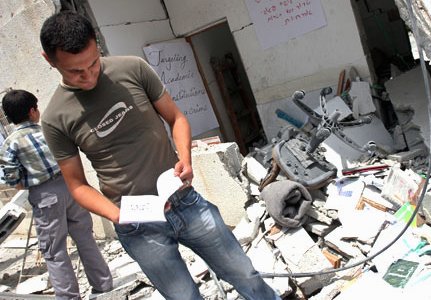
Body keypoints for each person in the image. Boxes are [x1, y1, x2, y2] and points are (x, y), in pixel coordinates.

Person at [39, 11, 280, 300]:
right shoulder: (55, 117)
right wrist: (117, 215)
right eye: (75, 72)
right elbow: (76, 184)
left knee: (245, 274)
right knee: (183, 297)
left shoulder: (132, 69)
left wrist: (186, 160)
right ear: (49, 60)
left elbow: (177, 118)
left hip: (184, 200)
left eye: (93, 63)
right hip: (136, 224)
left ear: (97, 45)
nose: (89, 76)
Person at [0, 89, 113, 299]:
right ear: (33, 111)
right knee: (85, 238)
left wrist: (25, 181)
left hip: (44, 197)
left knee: (54, 250)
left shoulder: (11, 143)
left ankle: (69, 296)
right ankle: (104, 286)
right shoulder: (48, 130)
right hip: (72, 186)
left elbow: (11, 177)